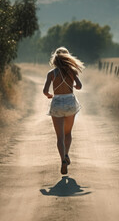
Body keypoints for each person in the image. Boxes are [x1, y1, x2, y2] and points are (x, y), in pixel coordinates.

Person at [43, 47, 84, 175]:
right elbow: (79, 86)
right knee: (68, 133)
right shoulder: (72, 71)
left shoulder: (51, 73)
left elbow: (45, 91)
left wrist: (50, 95)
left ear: (55, 60)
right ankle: (67, 154)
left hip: (57, 103)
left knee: (59, 137)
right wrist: (74, 85)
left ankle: (62, 160)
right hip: (70, 103)